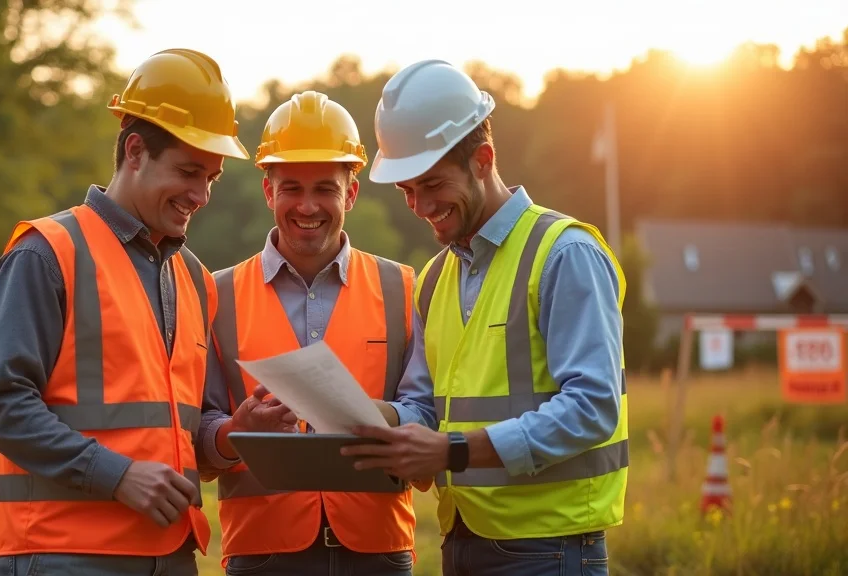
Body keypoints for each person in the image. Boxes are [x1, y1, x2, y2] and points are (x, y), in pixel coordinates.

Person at [0, 48, 250, 576]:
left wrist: (231, 434)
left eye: (212, 178)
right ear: (135, 151)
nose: (201, 195)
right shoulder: (47, 253)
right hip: (63, 556)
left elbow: (175, 433)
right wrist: (115, 475)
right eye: (189, 172)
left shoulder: (194, 278)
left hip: (171, 556)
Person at [341, 59, 629, 576]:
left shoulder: (564, 254)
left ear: (483, 160)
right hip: (463, 543)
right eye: (407, 191)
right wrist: (367, 417)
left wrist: (452, 452)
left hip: (552, 550)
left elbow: (592, 407)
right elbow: (426, 408)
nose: (419, 206)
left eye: (432, 184)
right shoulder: (434, 279)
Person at [196, 90, 438, 575]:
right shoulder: (215, 295)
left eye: (325, 188)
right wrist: (235, 431)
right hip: (262, 555)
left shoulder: (403, 289)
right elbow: (199, 436)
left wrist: (378, 419)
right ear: (269, 192)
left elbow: (427, 414)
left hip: (378, 552)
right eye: (291, 188)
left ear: (351, 193)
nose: (308, 206)